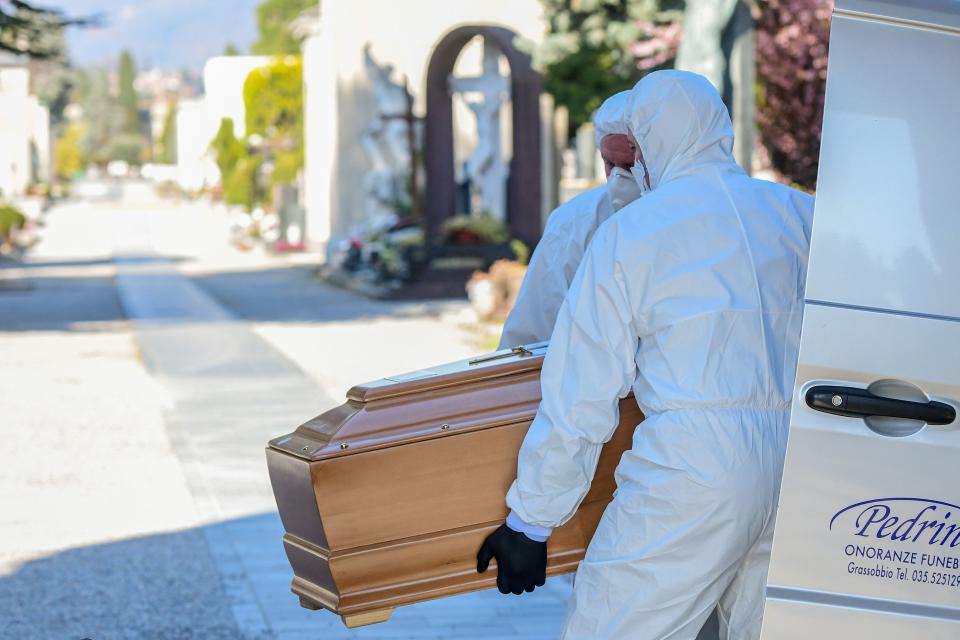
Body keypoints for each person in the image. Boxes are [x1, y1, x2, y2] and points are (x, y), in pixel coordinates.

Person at [477, 70, 814, 639]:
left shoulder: (634, 231)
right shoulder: (798, 216)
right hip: (802, 459)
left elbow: (581, 391)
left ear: (652, 139)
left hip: (694, 465)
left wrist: (530, 521)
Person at [498, 90, 641, 349]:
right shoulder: (575, 221)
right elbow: (535, 325)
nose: (620, 177)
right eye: (610, 164)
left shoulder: (697, 216)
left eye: (631, 165)